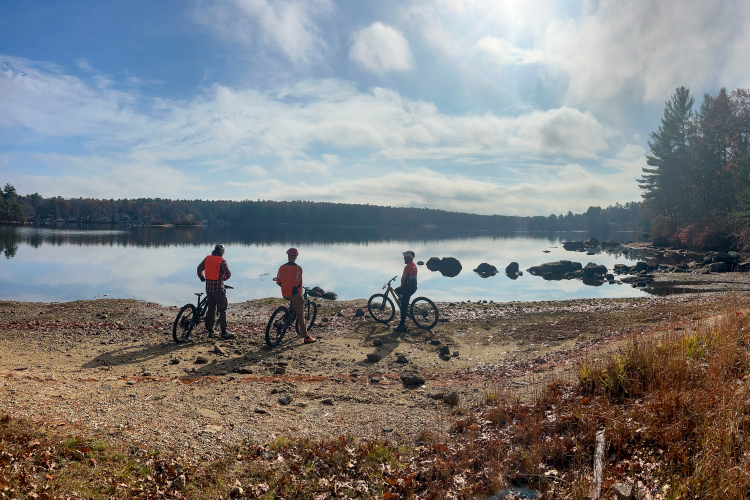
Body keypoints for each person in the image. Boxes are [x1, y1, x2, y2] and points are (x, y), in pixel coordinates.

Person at [276, 247, 316, 344]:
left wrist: (285, 287)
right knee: (301, 316)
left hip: (284, 292)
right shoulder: (298, 268)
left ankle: (286, 318)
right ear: (296, 257)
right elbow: (298, 284)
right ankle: (306, 337)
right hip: (294, 293)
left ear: (288, 256)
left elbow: (278, 281)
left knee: (292, 307)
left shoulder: (281, 267)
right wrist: (300, 296)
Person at [197, 243, 235, 340]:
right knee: (222, 309)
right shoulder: (221, 261)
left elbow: (199, 268)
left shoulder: (207, 259)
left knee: (211, 309)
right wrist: (223, 278)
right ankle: (224, 331)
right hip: (218, 289)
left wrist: (201, 277)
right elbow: (228, 274)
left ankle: (210, 330)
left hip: (209, 288)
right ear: (222, 251)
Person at [393, 250, 418, 333]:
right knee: (397, 291)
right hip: (413, 287)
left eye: (405, 257)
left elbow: (403, 279)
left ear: (408, 258)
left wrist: (401, 286)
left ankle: (402, 325)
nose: (404, 258)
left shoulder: (407, 267)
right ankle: (404, 302)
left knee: (403, 307)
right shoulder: (414, 265)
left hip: (408, 288)